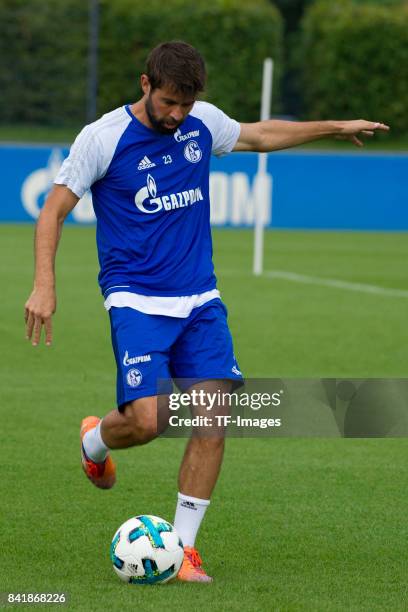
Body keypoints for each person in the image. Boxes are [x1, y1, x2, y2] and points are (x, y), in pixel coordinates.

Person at [24, 40, 389, 583]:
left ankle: (184, 553)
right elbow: (53, 209)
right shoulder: (103, 138)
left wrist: (333, 126)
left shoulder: (200, 123)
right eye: (169, 102)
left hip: (199, 299)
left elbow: (261, 135)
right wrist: (44, 285)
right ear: (146, 84)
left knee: (212, 421)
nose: (177, 115)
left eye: (186, 105)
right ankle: (94, 440)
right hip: (136, 299)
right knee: (147, 422)